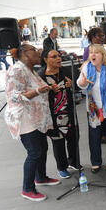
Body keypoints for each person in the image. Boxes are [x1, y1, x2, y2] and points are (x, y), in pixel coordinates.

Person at [4, 44, 60, 202]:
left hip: (37, 117)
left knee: (42, 148)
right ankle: (27, 189)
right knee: (34, 152)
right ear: (24, 53)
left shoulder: (30, 69)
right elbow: (13, 96)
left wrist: (48, 88)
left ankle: (41, 177)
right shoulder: (16, 70)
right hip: (25, 118)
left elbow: (36, 88)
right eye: (34, 50)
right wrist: (37, 91)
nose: (38, 53)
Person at [38, 49, 80, 179]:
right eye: (54, 56)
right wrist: (51, 91)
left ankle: (74, 162)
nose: (59, 59)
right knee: (58, 141)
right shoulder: (41, 76)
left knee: (73, 138)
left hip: (68, 112)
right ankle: (62, 167)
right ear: (46, 59)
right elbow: (39, 97)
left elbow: (76, 88)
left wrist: (71, 85)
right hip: (53, 115)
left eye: (59, 56)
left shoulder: (65, 71)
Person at [77, 44, 106, 173]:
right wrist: (82, 84)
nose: (93, 54)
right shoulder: (86, 68)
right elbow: (81, 83)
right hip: (93, 110)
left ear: (103, 55)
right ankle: (95, 162)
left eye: (96, 52)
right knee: (94, 137)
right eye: (91, 52)